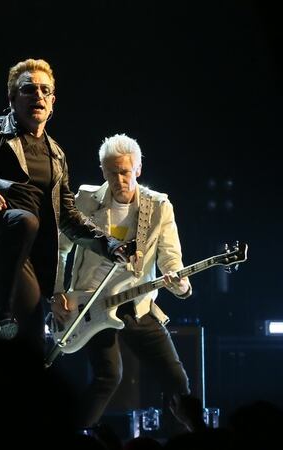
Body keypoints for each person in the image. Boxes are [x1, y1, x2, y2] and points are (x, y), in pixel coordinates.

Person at [0, 58, 127, 348]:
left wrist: (110, 245)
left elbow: (69, 217)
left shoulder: (56, 156)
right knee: (24, 219)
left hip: (17, 253)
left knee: (32, 328)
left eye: (44, 90)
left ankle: (5, 379)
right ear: (12, 98)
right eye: (28, 89)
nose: (37, 95)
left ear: (52, 102)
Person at [52, 133, 192, 428]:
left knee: (177, 379)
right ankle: (71, 437)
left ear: (138, 169)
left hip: (138, 305)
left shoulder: (159, 206)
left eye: (126, 171)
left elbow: (170, 258)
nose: (120, 179)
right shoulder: (85, 200)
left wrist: (179, 283)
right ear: (102, 170)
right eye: (112, 172)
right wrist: (57, 292)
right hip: (92, 304)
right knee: (109, 375)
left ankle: (196, 434)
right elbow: (59, 248)